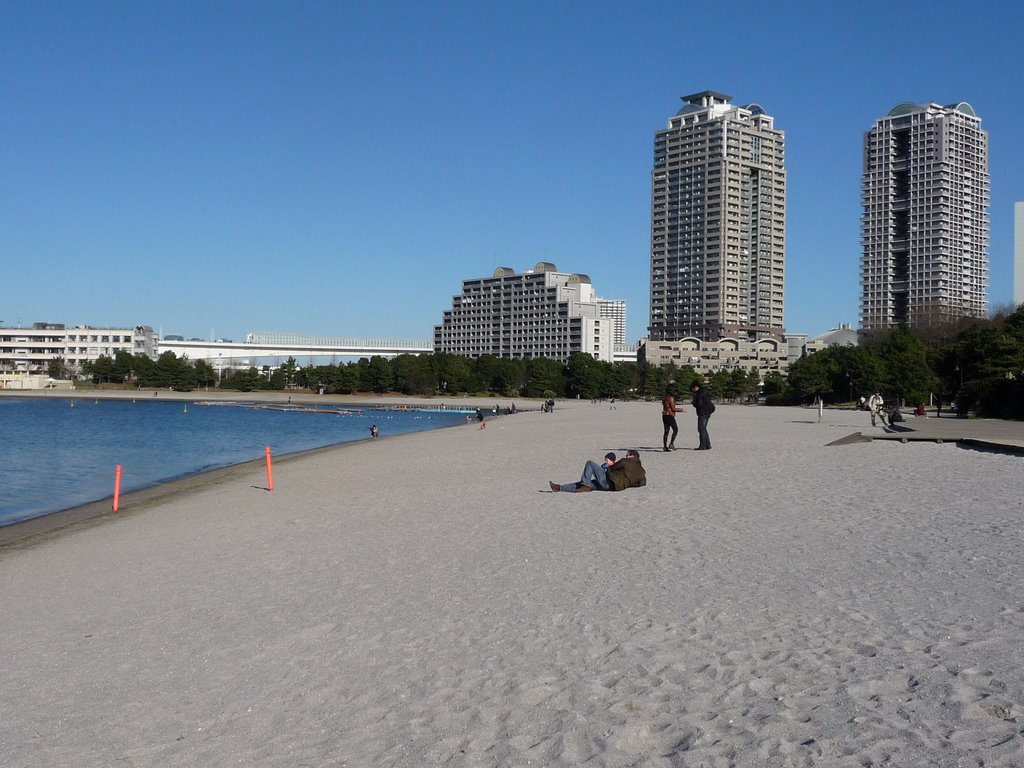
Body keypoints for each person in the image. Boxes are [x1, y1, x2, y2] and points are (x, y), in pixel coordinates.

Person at [549, 451, 646, 493]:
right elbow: (642, 483)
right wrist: (627, 483)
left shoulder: (625, 461)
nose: (626, 456)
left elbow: (613, 467)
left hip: (609, 482)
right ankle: (559, 488)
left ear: (632, 456)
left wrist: (607, 468)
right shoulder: (641, 472)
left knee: (590, 463)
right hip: (614, 488)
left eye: (627, 454)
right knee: (586, 484)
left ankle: (585, 485)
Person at [690, 380, 715, 450]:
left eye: (693, 388)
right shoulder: (705, 391)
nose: (692, 390)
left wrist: (694, 403)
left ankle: (703, 445)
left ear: (696, 387)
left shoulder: (699, 394)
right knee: (703, 429)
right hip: (708, 411)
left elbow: (699, 405)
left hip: (703, 413)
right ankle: (707, 444)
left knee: (701, 429)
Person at [661, 387, 684, 452]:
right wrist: (681, 410)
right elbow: (673, 409)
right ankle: (671, 443)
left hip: (664, 415)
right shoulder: (671, 398)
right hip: (670, 415)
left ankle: (665, 447)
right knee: (675, 430)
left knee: (666, 431)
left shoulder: (664, 397)